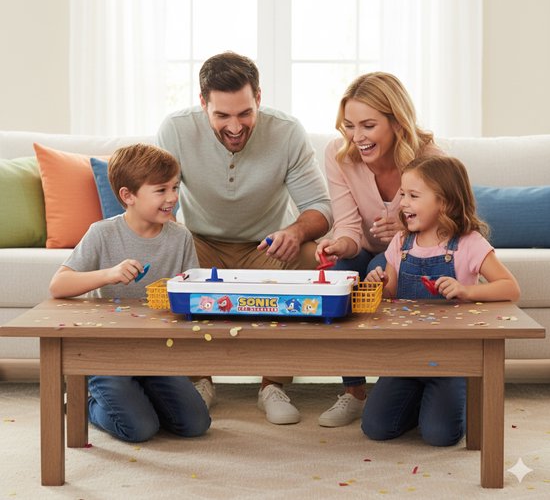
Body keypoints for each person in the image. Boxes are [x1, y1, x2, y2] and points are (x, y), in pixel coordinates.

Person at [157, 51, 332, 425]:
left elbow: (320, 208)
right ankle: (199, 380)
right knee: (168, 249)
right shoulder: (175, 129)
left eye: (245, 113)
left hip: (267, 247)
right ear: (203, 103)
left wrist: (294, 231)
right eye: (222, 115)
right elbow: (158, 201)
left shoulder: (287, 132)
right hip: (200, 245)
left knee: (309, 255)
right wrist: (170, 232)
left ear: (259, 98)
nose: (235, 127)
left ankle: (273, 384)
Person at [49, 143, 211, 443]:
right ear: (128, 196)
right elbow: (58, 285)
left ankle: (138, 397)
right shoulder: (102, 233)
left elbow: (193, 291)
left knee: (195, 424)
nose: (172, 197)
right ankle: (84, 403)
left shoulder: (180, 237)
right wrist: (109, 274)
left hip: (156, 352)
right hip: (107, 352)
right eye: (161, 190)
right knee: (139, 429)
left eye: (175, 187)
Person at [362, 154, 520, 446]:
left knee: (440, 435)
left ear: (444, 202)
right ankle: (422, 403)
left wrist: (467, 291)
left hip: (451, 360)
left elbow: (511, 287)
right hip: (406, 357)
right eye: (402, 195)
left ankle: (451, 402)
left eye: (413, 196)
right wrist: (379, 284)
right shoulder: (401, 242)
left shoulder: (469, 243)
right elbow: (392, 291)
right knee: (376, 427)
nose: (403, 203)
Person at [316, 72, 443, 428]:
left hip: (412, 252)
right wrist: (337, 244)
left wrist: (404, 232)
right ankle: (353, 391)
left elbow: (447, 230)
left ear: (396, 122)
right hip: (363, 247)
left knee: (378, 269)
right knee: (341, 274)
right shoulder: (339, 155)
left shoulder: (429, 158)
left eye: (368, 125)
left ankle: (400, 382)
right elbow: (348, 227)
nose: (357, 137)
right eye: (349, 125)